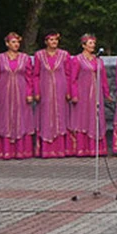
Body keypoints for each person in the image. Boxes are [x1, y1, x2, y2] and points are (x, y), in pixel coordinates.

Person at [0, 33, 35, 160]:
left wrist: (29, 93)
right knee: (4, 118)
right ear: (7, 44)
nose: (16, 44)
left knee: (21, 117)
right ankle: (4, 150)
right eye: (13, 42)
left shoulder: (25, 58)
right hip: (4, 92)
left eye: (17, 42)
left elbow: (29, 77)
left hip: (20, 92)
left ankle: (21, 150)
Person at [68, 34, 111, 157]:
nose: (93, 46)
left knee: (96, 117)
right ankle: (82, 148)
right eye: (90, 43)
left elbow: (103, 79)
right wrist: (74, 94)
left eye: (93, 43)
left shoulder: (98, 60)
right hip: (83, 93)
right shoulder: (77, 60)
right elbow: (73, 79)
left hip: (96, 94)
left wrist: (106, 93)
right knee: (83, 118)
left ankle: (96, 148)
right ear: (83, 45)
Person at [32, 30, 72, 158]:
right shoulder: (39, 55)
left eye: (55, 40)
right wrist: (36, 91)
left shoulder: (65, 55)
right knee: (46, 117)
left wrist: (69, 91)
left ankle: (61, 149)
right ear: (46, 42)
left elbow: (69, 74)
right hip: (45, 91)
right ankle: (45, 149)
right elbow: (36, 75)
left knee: (60, 117)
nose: (54, 42)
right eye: (51, 40)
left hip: (60, 90)